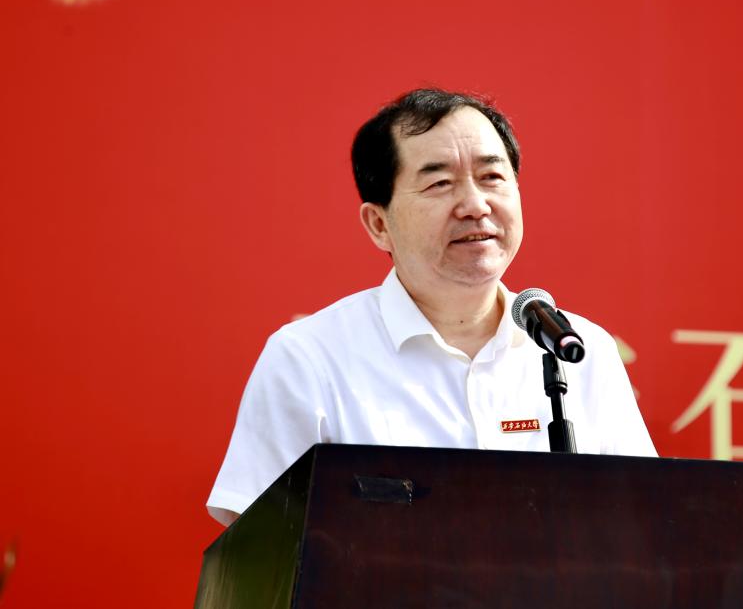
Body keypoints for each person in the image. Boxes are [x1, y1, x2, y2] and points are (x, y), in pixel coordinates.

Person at [206, 88, 656, 525]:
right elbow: (260, 545)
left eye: (492, 177)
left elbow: (643, 523)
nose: (475, 205)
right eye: (440, 183)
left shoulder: (578, 349)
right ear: (379, 224)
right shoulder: (309, 359)